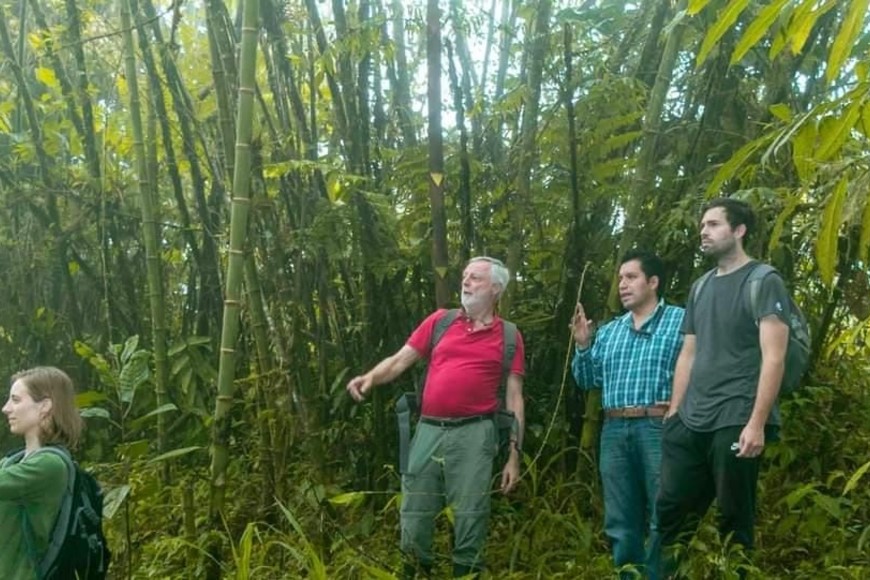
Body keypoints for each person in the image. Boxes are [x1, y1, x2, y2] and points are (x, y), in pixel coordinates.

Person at [347, 256, 525, 578]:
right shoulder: (441, 321)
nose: (466, 282)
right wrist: (370, 377)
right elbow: (401, 360)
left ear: (496, 289)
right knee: (414, 512)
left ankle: (466, 573)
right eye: (465, 276)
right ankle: (415, 571)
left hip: (475, 435)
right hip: (428, 430)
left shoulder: (509, 336)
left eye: (475, 278)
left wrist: (514, 455)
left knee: (471, 515)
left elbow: (514, 396)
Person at [655, 198, 790, 577]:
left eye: (714, 224)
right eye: (703, 225)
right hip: (691, 419)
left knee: (734, 518)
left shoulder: (763, 281)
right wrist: (675, 413)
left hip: (737, 416)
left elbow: (774, 357)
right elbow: (689, 352)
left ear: (739, 230)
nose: (704, 231)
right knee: (671, 514)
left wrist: (757, 423)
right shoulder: (699, 288)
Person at [571, 250, 684, 579]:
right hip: (614, 428)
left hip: (659, 426)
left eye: (631, 277)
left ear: (653, 282)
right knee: (620, 520)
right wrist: (582, 345)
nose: (622, 284)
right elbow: (588, 380)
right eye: (620, 278)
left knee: (664, 513)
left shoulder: (681, 320)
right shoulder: (610, 331)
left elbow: (699, 370)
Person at [0, 366, 83, 580]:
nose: (6, 408)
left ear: (44, 406)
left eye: (16, 400)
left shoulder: (49, 465)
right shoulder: (13, 462)